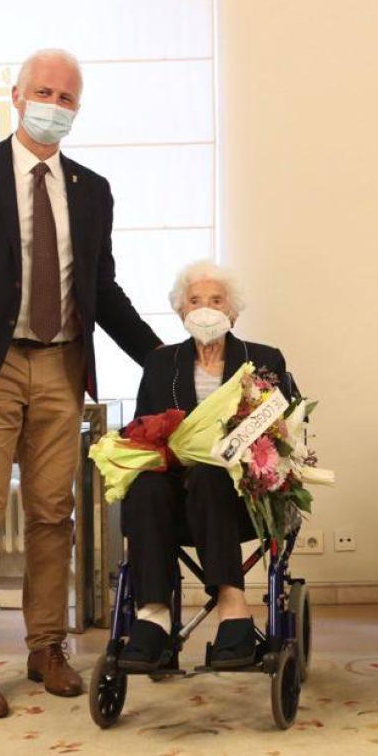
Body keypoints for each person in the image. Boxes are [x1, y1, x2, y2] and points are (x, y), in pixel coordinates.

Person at [0, 48, 161, 718]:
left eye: (66, 98)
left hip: (60, 367)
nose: (54, 105)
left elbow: (101, 290)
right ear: (17, 95)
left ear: (77, 109)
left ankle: (46, 647)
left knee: (56, 515)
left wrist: (159, 358)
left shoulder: (92, 189)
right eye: (44, 91)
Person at [119, 261, 298, 669]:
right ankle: (153, 616)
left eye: (215, 300)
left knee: (209, 474)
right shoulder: (161, 364)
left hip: (237, 501)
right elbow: (140, 431)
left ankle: (233, 608)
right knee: (145, 486)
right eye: (195, 301)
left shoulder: (263, 359)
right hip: (171, 502)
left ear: (232, 311)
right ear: (181, 312)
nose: (205, 309)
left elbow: (286, 428)